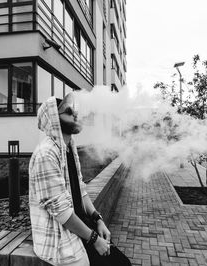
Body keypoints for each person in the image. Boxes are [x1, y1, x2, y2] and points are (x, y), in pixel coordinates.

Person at [29, 93, 131, 266]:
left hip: (80, 227)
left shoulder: (69, 147)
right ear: (54, 119)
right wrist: (94, 240)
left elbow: (81, 189)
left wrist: (98, 219)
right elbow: (61, 212)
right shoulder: (46, 154)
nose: (76, 115)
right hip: (59, 235)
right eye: (69, 112)